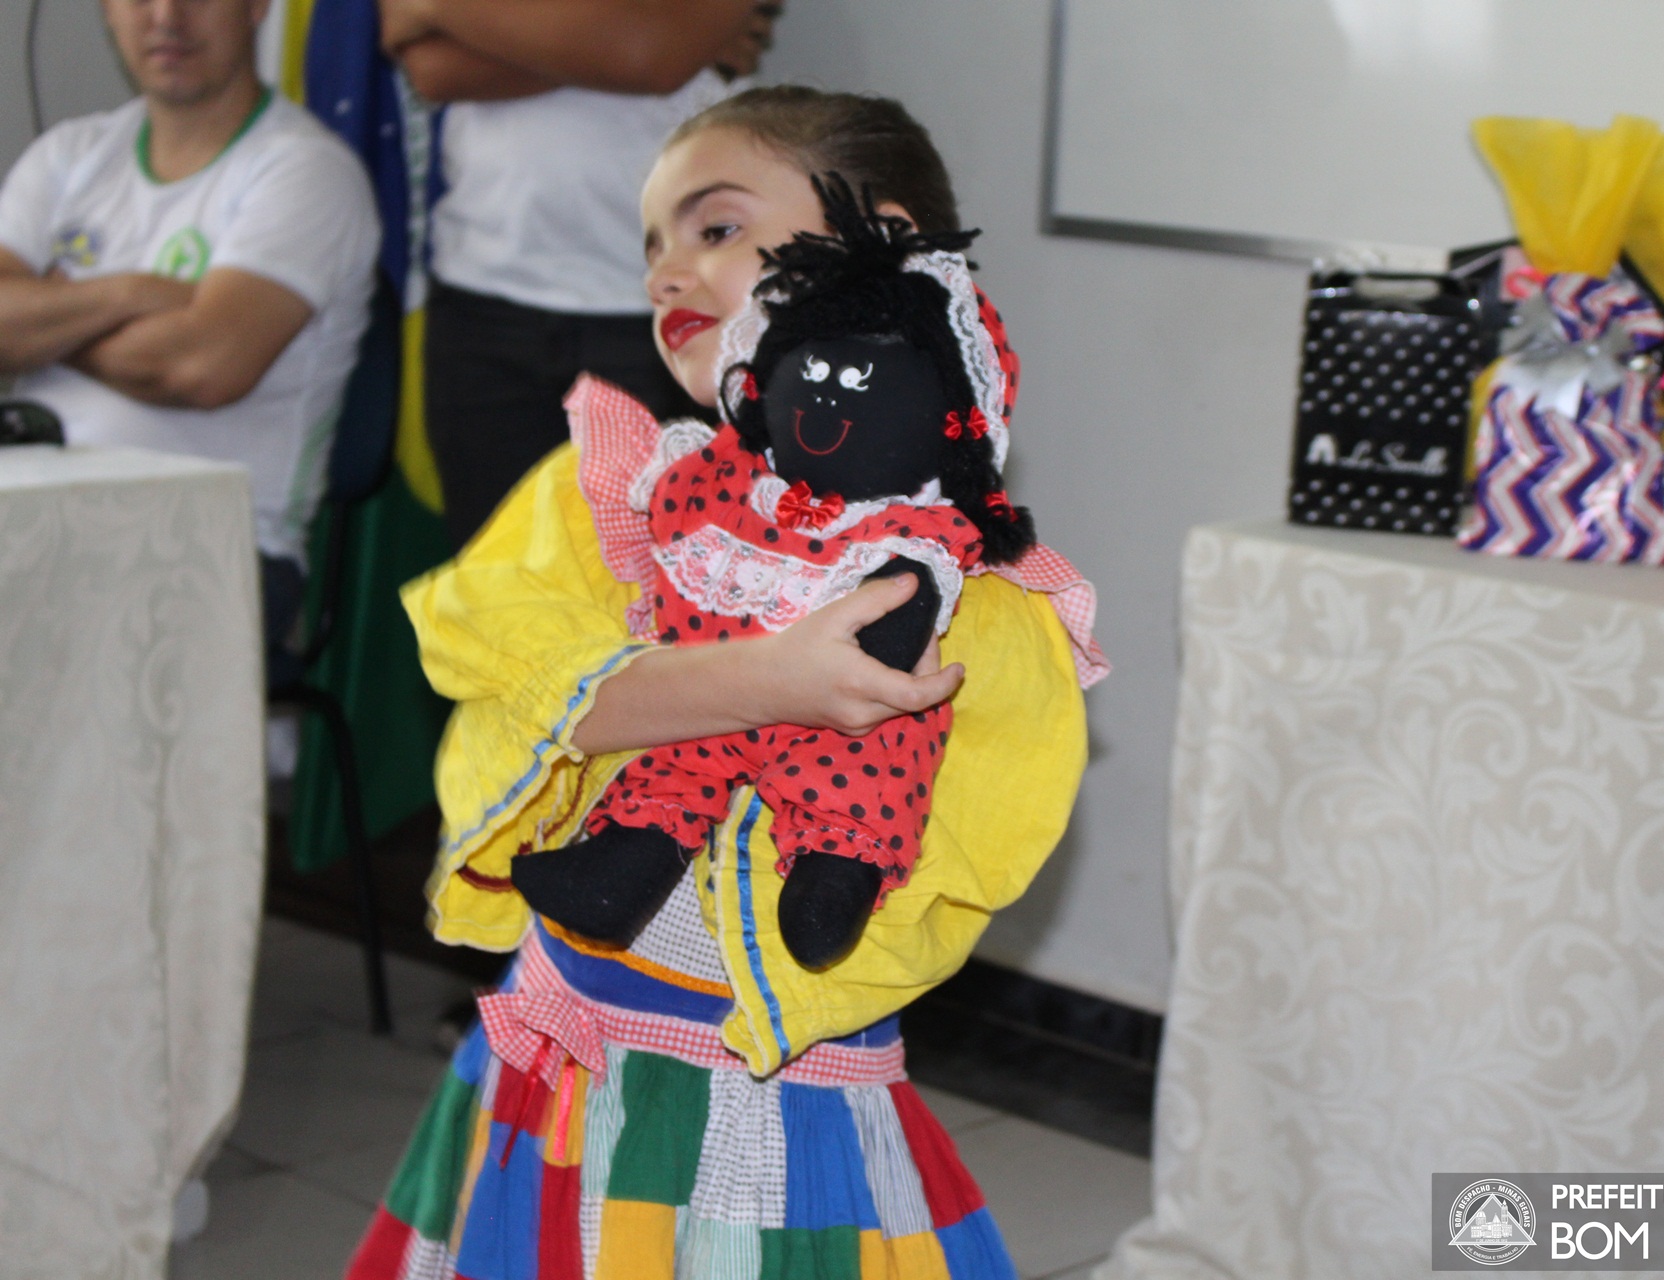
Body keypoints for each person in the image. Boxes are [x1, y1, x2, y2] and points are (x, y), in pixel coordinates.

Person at [343, 86, 1106, 1278]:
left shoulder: (978, 601)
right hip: (567, 1050)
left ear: (881, 245)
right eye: (650, 243)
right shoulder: (612, 495)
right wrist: (773, 678)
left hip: (774, 1093)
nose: (665, 271)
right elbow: (541, 695)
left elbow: (938, 865)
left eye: (715, 227)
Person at [0, 0, 379, 674]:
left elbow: (203, 368)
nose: (166, 16)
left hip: (210, 552)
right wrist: (129, 294)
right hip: (30, 518)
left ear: (256, 7)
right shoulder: (69, 154)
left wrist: (49, 315)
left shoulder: (307, 171)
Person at [379, 0, 782, 547]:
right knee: (493, 576)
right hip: (484, 295)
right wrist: (621, 33)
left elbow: (654, 57)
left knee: (659, 572)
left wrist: (445, 11)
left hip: (662, 305)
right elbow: (433, 69)